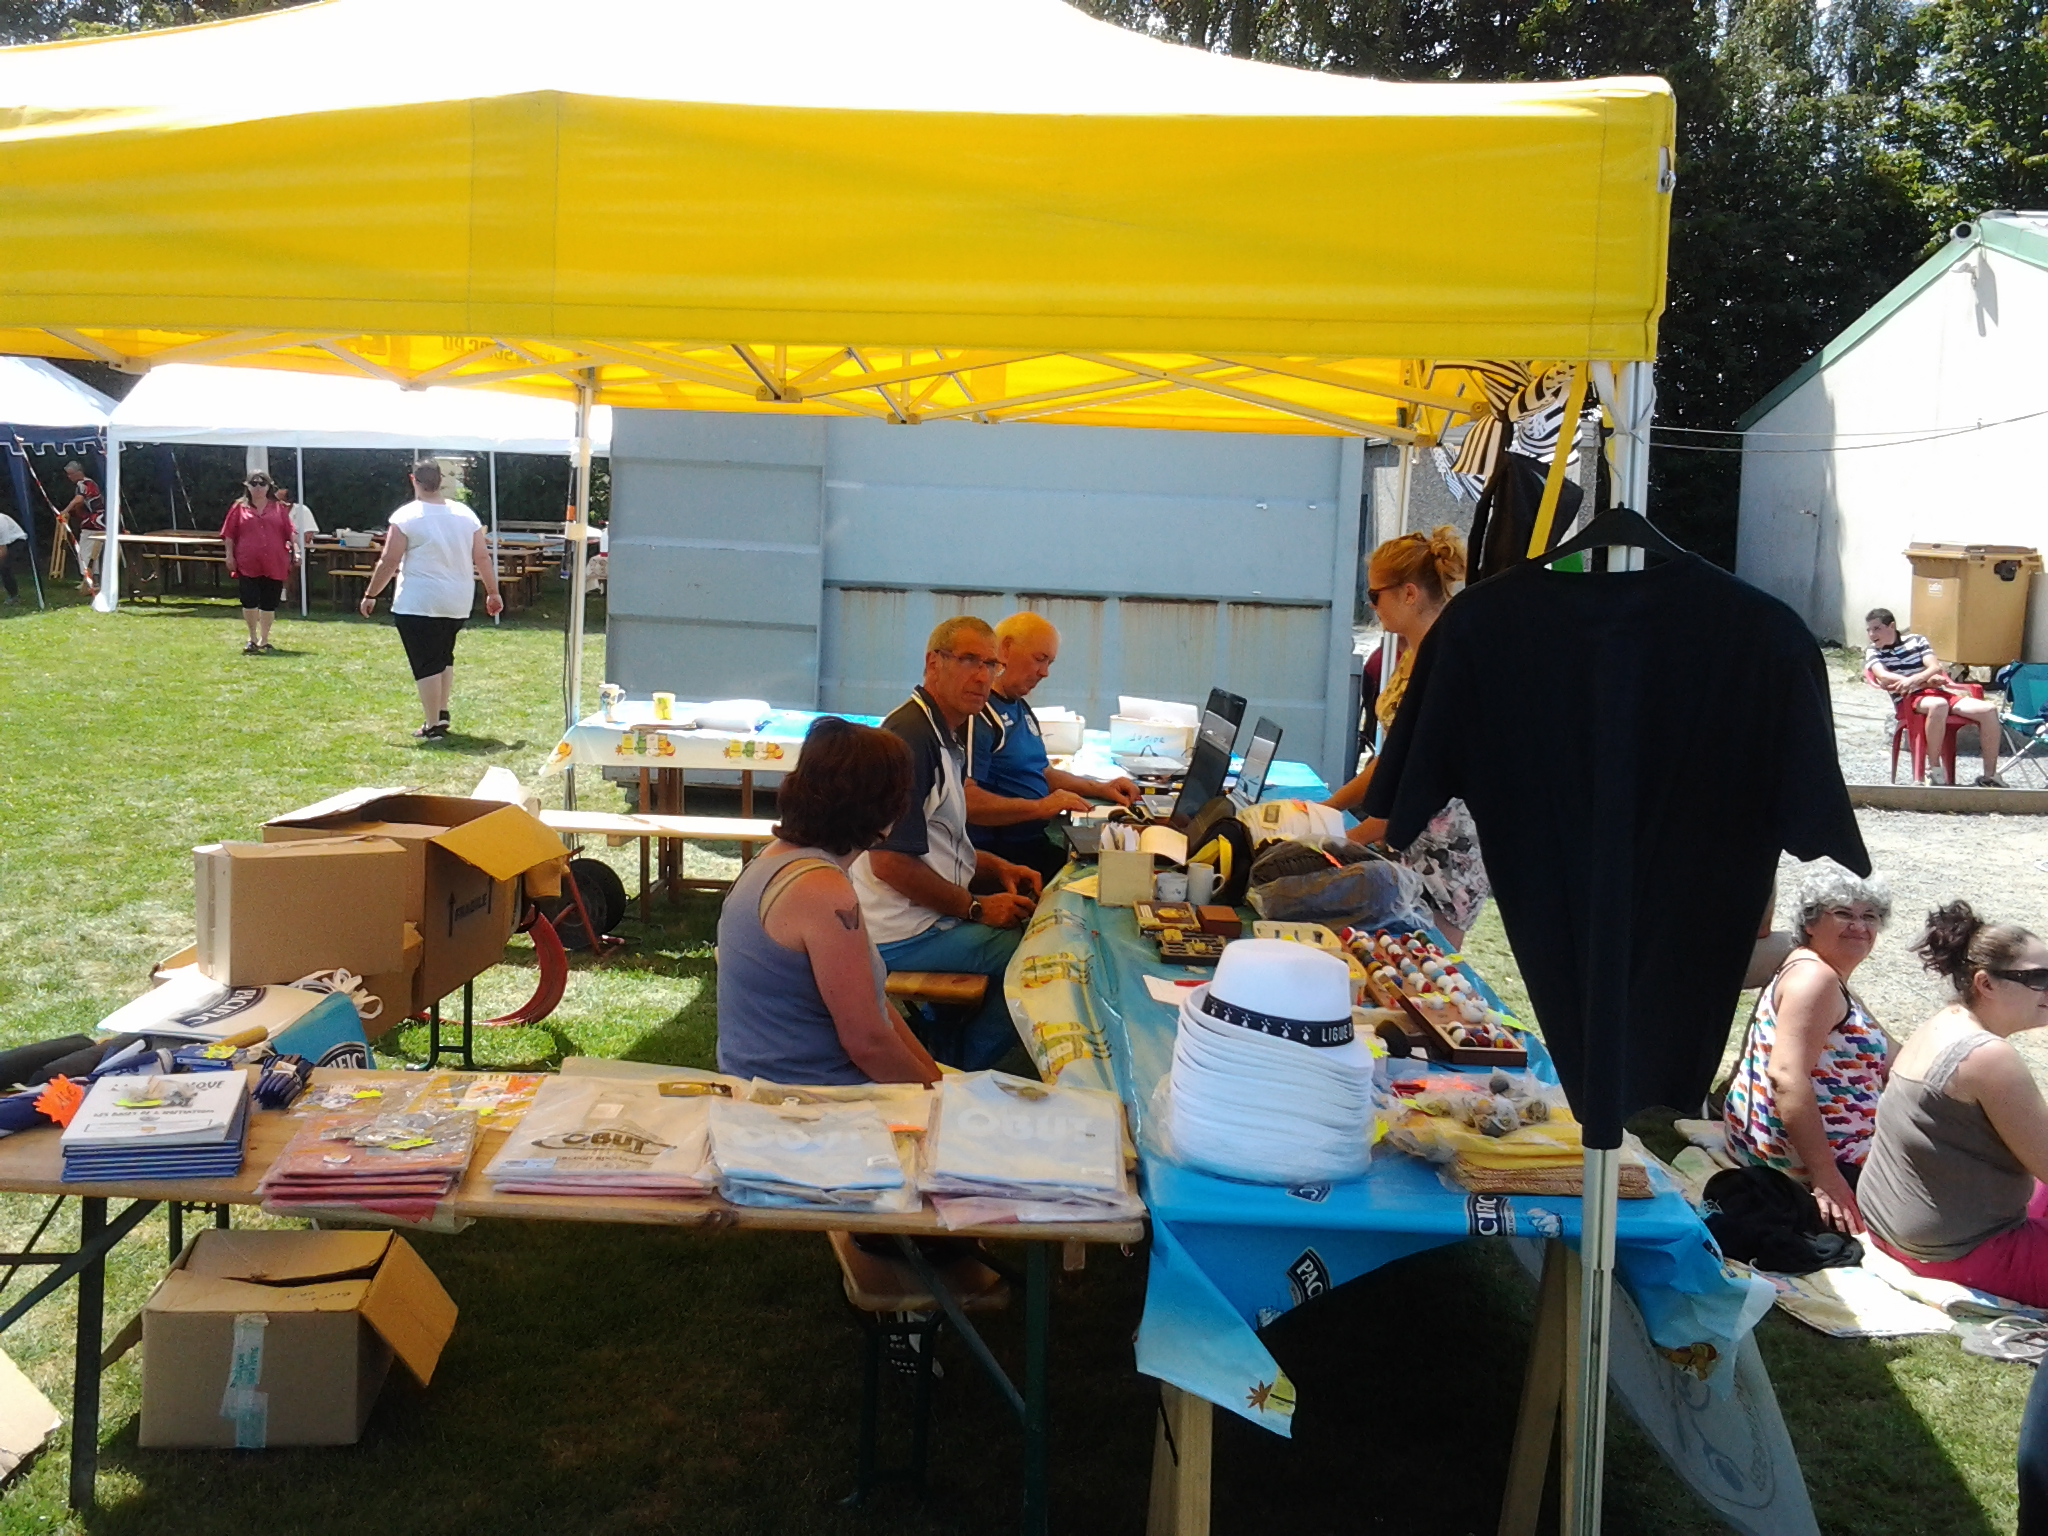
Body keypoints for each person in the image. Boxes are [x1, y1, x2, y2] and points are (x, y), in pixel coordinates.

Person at [851, 615, 1044, 1070]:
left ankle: (941, 1043)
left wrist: (996, 867)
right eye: (969, 660)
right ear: (932, 663)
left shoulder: (943, 731)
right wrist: (976, 908)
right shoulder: (908, 739)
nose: (982, 676)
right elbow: (890, 866)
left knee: (1033, 933)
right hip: (897, 930)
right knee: (1034, 958)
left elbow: (941, 844)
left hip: (917, 917)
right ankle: (954, 1069)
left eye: (991, 665)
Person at [716, 716, 943, 1087]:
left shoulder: (777, 858)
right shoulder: (822, 891)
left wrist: (935, 1082)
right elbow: (867, 1042)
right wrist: (938, 1098)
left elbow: (874, 1010)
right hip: (810, 1105)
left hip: (773, 1089)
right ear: (883, 806)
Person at [1860, 902, 2048, 1305]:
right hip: (1956, 1252)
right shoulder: (1989, 1057)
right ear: (1987, 983)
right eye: (2038, 978)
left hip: (1890, 1228)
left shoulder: (1943, 1022)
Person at [1321, 527, 1490, 944]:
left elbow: (1425, 780)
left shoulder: (1448, 666)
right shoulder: (1413, 656)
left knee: (1427, 975)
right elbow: (1394, 760)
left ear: (1409, 593)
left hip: (1443, 847)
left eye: (1375, 595)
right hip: (1407, 837)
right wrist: (1328, 808)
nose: (1372, 605)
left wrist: (1339, 839)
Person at [1722, 862, 1893, 1233]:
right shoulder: (1815, 980)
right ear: (1811, 922)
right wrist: (1827, 1180)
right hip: (1806, 1159)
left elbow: (1895, 1055)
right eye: (1844, 914)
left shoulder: (1820, 971)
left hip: (1793, 1146)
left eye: (1871, 916)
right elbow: (1787, 1077)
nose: (1860, 926)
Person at [965, 611, 1139, 880]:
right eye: (1040, 659)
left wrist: (1101, 787)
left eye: (1050, 663)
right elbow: (967, 801)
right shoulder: (980, 716)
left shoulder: (1019, 707)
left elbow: (1042, 772)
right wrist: (1041, 806)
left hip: (1033, 842)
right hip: (1006, 857)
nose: (1044, 672)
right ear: (1006, 649)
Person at [357, 460, 503, 738]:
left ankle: (432, 723)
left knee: (425, 662)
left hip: (419, 600)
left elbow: (389, 560)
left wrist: (371, 593)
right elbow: (482, 557)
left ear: (414, 479)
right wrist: (493, 591)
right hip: (457, 599)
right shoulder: (465, 514)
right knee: (443, 656)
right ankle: (442, 711)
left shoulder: (406, 516)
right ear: (441, 479)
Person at [1864, 606, 2004, 786]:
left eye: (1876, 629)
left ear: (1891, 626)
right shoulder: (1873, 651)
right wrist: (1924, 682)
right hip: (1908, 699)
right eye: (1868, 630)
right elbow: (1884, 676)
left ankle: (1990, 776)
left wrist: (1916, 679)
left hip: (1937, 692)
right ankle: (1934, 770)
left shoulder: (1917, 641)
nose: (1871, 634)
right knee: (1938, 705)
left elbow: (1934, 667)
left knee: (1989, 709)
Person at [219, 471, 298, 653]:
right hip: (247, 562)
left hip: (274, 561)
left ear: (269, 486)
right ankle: (252, 637)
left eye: (262, 484)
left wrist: (297, 551)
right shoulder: (239, 507)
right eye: (253, 484)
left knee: (269, 601)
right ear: (247, 486)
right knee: (249, 599)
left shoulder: (279, 508)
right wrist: (229, 555)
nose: (258, 488)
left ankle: (265, 639)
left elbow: (290, 532)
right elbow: (229, 534)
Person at [55, 460, 103, 595]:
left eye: (70, 474)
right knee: (94, 552)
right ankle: (94, 580)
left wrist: (64, 511)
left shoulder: (82, 484)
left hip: (93, 522)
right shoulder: (90, 483)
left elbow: (79, 500)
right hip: (100, 521)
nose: (69, 477)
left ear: (78, 473)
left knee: (84, 551)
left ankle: (88, 581)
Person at [0, 510, 25, 604]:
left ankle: (14, 596)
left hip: (16, 541)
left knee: (5, 567)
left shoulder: (1, 522)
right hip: (3, 544)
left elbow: (3, 550)